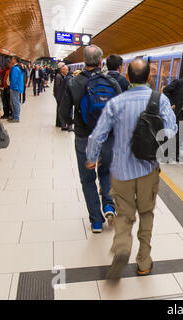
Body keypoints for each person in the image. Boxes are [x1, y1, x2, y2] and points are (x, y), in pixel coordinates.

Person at [85, 58, 177, 280]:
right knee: (146, 213)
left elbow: (98, 135)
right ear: (149, 78)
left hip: (121, 171)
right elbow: (173, 131)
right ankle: (144, 261)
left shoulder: (116, 103)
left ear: (127, 77)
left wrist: (91, 158)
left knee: (124, 215)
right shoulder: (161, 100)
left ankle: (122, 247)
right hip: (148, 169)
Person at [59, 45, 122, 233]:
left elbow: (63, 113)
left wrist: (75, 124)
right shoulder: (112, 82)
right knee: (106, 172)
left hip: (84, 138)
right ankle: (109, 206)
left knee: (87, 179)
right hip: (107, 138)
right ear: (101, 61)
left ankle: (96, 221)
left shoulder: (74, 82)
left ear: (84, 60)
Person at [8, 56, 24, 123]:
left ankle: (16, 117)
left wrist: (12, 86)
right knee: (13, 102)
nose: (11, 60)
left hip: (15, 88)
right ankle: (14, 116)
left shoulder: (15, 68)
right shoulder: (18, 67)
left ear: (14, 60)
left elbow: (14, 79)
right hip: (16, 87)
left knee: (15, 103)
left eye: (12, 59)